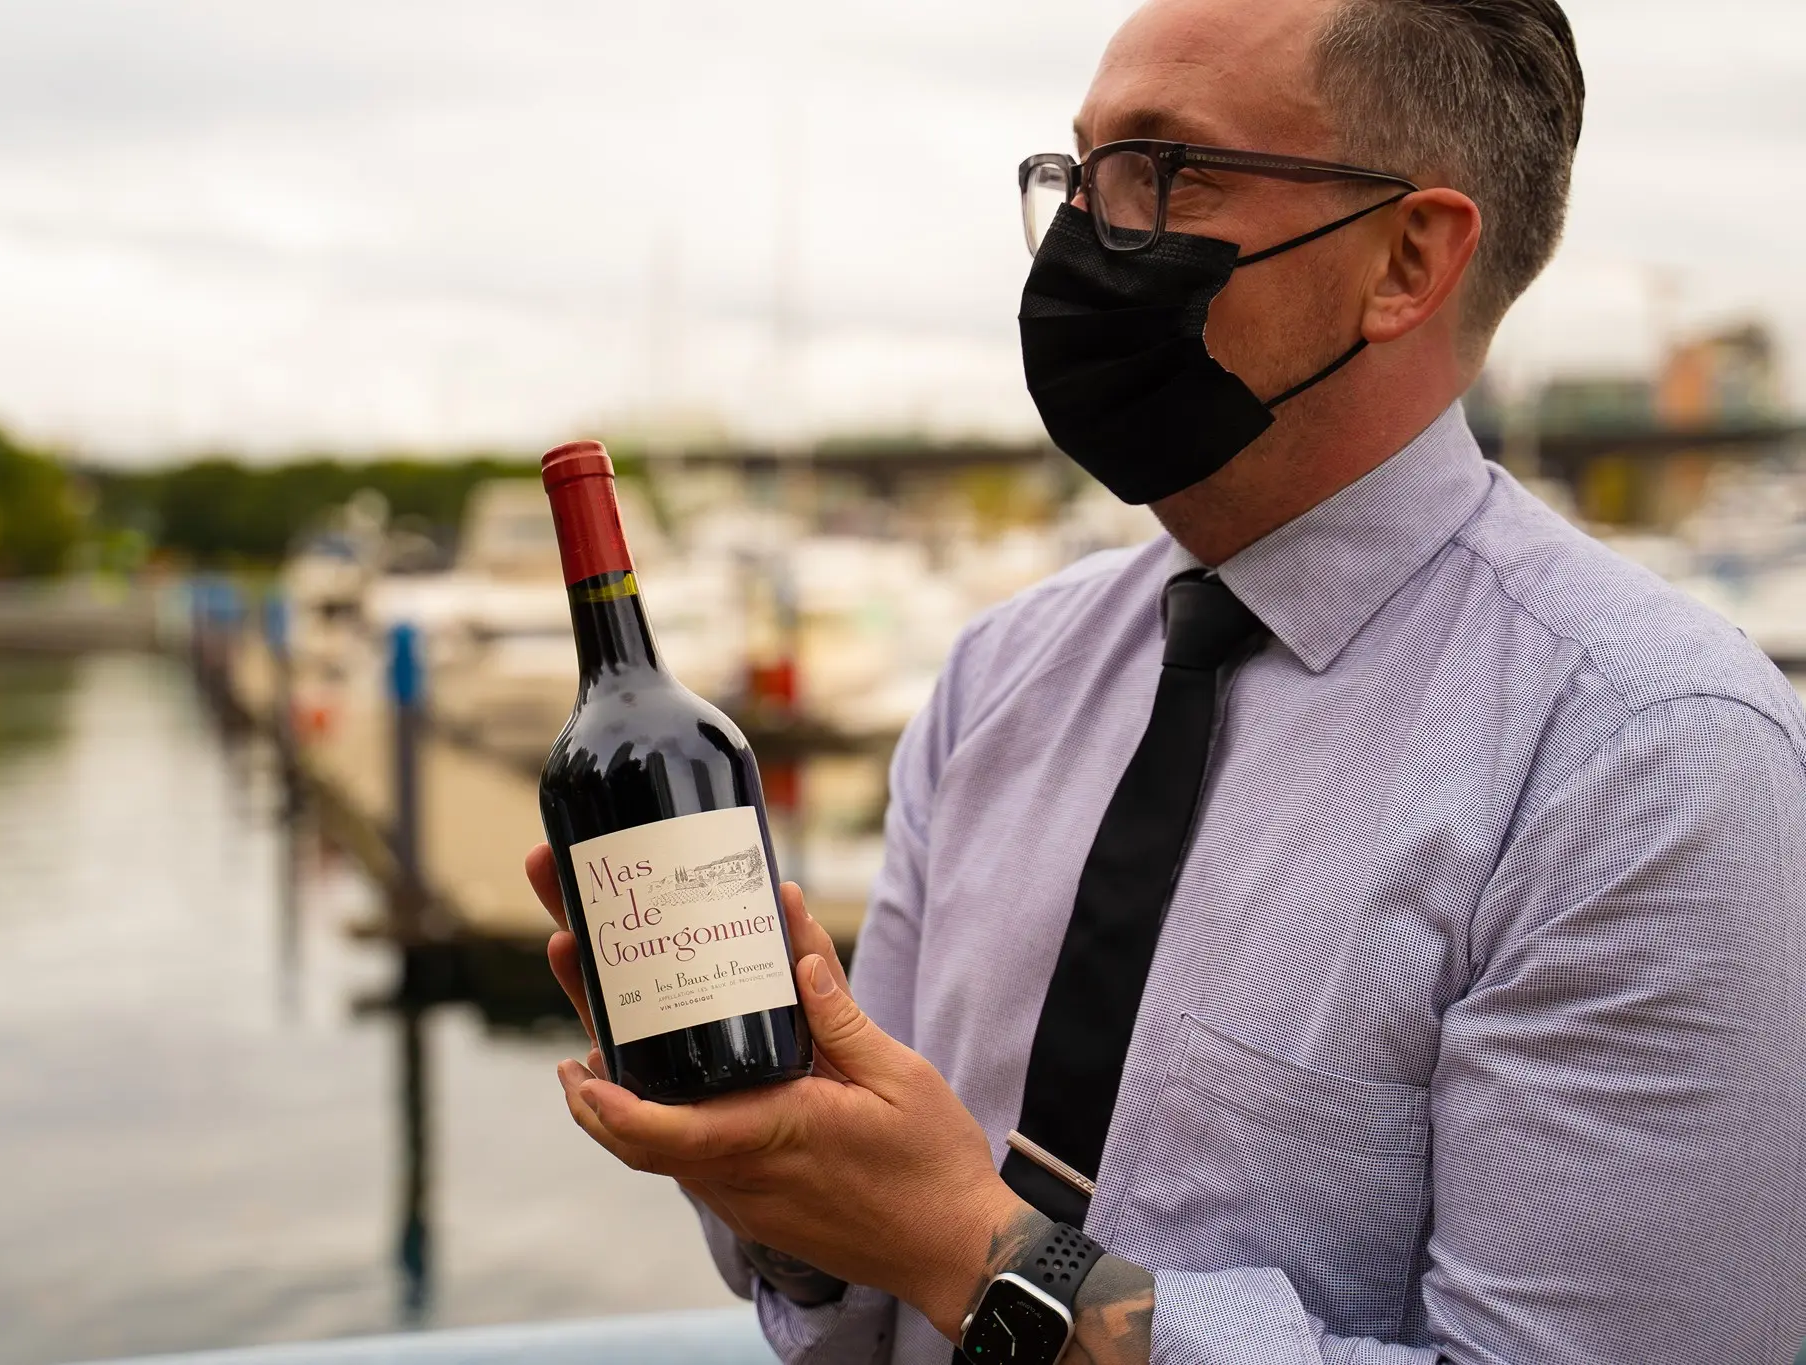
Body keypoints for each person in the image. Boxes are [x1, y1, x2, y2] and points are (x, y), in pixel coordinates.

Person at [523, 0, 1806, 1359]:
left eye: (1165, 170)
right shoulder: (997, 683)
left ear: (1409, 257)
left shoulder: (1651, 761)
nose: (1088, 232)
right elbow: (852, 1291)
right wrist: (759, 1152)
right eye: (1078, 172)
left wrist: (969, 1247)